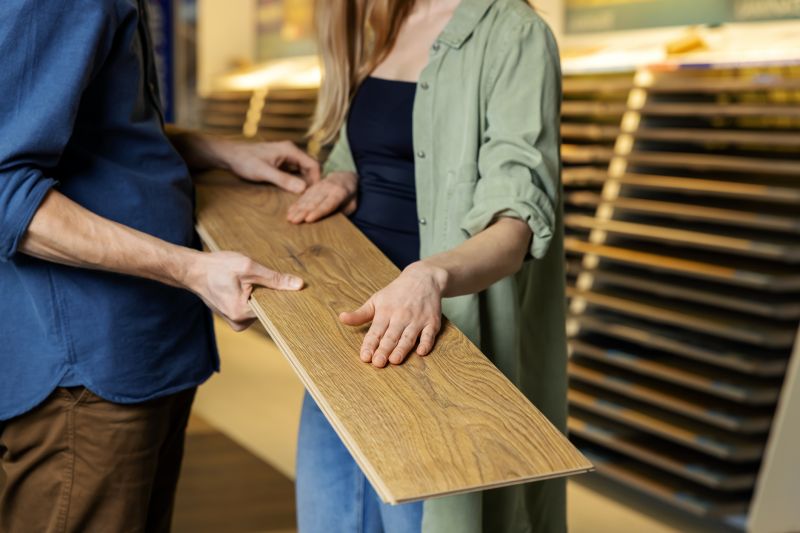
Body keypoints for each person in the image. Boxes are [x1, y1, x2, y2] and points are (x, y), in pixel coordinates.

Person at [0, 1, 315, 531]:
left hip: (136, 349)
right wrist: (190, 270)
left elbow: (92, 127)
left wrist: (216, 150)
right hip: (84, 369)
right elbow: (5, 190)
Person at [287, 0, 566, 532]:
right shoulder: (385, 17)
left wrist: (429, 276)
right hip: (348, 334)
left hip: (430, 346)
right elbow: (367, 148)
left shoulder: (515, 33)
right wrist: (345, 174)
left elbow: (515, 227)